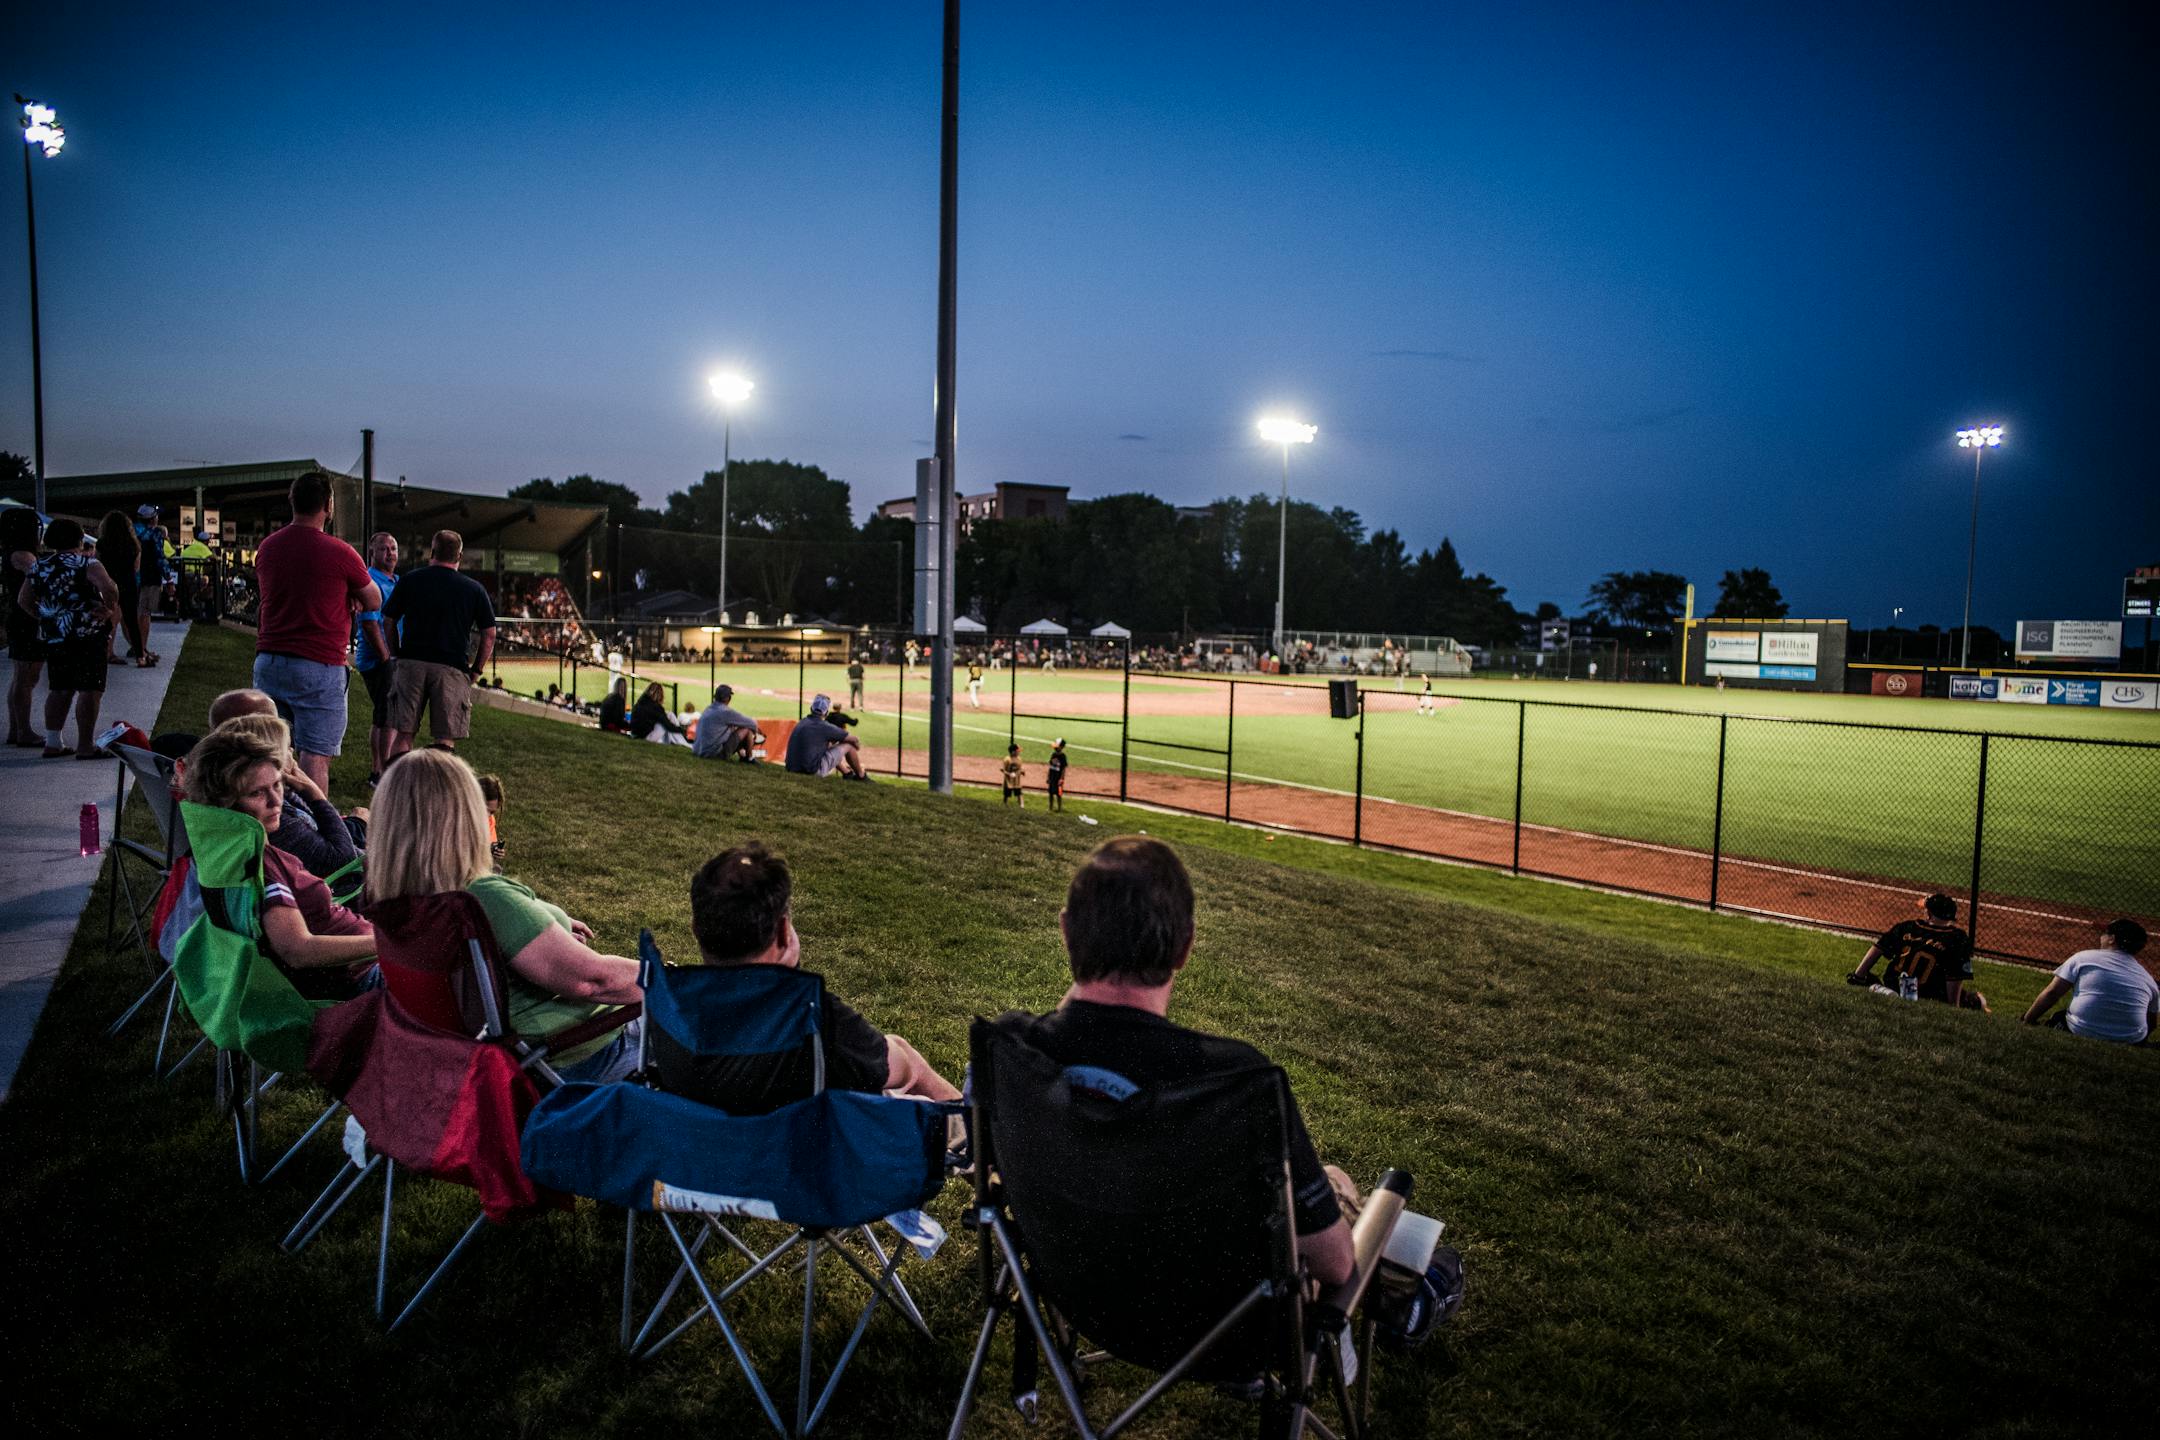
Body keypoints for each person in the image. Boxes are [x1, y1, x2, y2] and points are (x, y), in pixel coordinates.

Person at [1000, 838, 1360, 1287]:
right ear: (1185, 948)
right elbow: (1335, 1266)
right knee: (1338, 1186)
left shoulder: (1011, 1049)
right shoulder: (1237, 1081)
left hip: (1075, 1292)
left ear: (1066, 933)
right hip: (1213, 1331)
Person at [367, 748, 643, 1081]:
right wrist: (672, 978)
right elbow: (593, 980)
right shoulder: (481, 898)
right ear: (465, 818)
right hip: (576, 1053)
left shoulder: (395, 901)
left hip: (474, 1055)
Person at [675, 841, 959, 1114]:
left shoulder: (673, 1005)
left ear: (695, 928)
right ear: (784, 930)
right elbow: (902, 1069)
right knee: (905, 1057)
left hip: (708, 1152)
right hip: (800, 1154)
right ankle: (974, 1131)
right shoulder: (818, 1020)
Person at [181, 724, 376, 999]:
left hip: (354, 962)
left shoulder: (225, 850)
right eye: (256, 793)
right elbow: (296, 949)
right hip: (351, 980)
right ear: (223, 799)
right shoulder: (262, 865)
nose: (276, 802)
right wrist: (385, 945)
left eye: (277, 786)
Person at [252, 471, 382, 793]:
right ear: (328, 504)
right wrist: (349, 592)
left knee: (271, 752)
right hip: (318, 665)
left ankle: (275, 819)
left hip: (269, 661)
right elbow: (374, 599)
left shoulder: (268, 548)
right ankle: (312, 829)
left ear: (292, 502)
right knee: (315, 755)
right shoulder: (340, 552)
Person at [380, 529, 496, 759]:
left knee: (404, 733)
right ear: (459, 556)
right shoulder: (474, 589)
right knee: (445, 739)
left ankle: (396, 788)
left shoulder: (411, 580)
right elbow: (489, 634)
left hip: (411, 662)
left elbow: (388, 620)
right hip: (452, 667)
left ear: (432, 552)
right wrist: (476, 670)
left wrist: (395, 654)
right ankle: (439, 791)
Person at [214, 711, 365, 882]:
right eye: (286, 747)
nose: (292, 750)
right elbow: (342, 861)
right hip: (351, 886)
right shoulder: (275, 821)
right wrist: (314, 793)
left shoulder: (278, 797)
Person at [20, 517, 123, 759]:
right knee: (89, 689)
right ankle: (85, 745)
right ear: (79, 539)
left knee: (59, 688)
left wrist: (47, 617)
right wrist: (109, 608)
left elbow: (23, 600)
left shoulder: (38, 566)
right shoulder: (87, 564)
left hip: (56, 636)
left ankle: (53, 742)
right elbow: (108, 588)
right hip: (87, 634)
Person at [2021, 920, 2157, 1044]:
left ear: (2112, 939)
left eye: (2105, 933)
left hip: (2082, 1029)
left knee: (2059, 1016)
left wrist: (2028, 1019)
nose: (2101, 936)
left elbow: (2052, 993)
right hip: (2131, 1039)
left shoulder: (2084, 958)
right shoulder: (2148, 980)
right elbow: (2151, 1023)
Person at [1847, 893, 1973, 1005]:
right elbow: (1954, 976)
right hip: (1928, 995)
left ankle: (1885, 992)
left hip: (1894, 985)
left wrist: (1858, 976)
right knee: (1975, 999)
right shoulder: (1958, 939)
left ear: (1929, 914)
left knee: (1871, 981)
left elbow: (1878, 949)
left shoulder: (1907, 927)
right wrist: (1953, 1005)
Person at [354, 532, 400, 786]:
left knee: (384, 715)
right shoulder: (371, 579)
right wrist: (386, 658)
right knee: (387, 717)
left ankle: (380, 770)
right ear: (372, 552)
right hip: (378, 659)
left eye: (393, 548)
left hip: (391, 657)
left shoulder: (397, 581)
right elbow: (370, 623)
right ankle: (382, 773)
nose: (390, 553)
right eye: (384, 549)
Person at [2, 505, 45, 748]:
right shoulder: (23, 556)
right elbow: (41, 577)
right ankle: (24, 730)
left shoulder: (11, 552)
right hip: (27, 617)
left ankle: (15, 729)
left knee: (21, 677)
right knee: (26, 677)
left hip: (19, 617)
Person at [783, 694, 868, 780]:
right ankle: (861, 776)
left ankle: (847, 773)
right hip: (811, 771)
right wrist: (857, 747)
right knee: (849, 745)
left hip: (791, 768)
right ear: (826, 713)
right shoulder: (825, 726)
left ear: (811, 708)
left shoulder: (802, 722)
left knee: (828, 746)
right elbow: (854, 740)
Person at [131, 504, 167, 664]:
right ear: (152, 518)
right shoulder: (155, 533)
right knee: (145, 614)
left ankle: (136, 647)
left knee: (134, 613)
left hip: (132, 577)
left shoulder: (131, 531)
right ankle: (142, 650)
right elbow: (160, 557)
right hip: (150, 577)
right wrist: (169, 579)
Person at [692, 684, 761, 761]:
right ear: (727, 698)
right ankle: (749, 758)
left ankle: (742, 755)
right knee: (747, 729)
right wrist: (755, 732)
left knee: (732, 727)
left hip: (697, 751)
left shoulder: (708, 709)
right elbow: (752, 724)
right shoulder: (725, 712)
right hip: (713, 754)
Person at [631, 681, 689, 745]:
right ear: (660, 694)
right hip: (646, 738)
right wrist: (682, 730)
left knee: (669, 715)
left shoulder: (640, 702)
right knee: (669, 716)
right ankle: (683, 743)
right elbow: (669, 726)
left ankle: (676, 742)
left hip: (634, 735)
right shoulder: (656, 707)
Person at [476, 772, 508, 867]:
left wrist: (494, 850)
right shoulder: (457, 820)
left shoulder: (490, 820)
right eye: (485, 810)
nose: (488, 815)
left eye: (492, 812)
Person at [1046, 737, 1069, 811]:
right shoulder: (1053, 754)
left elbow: (1063, 768)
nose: (1055, 748)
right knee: (1051, 792)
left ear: (1062, 747)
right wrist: (1048, 777)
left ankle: (1059, 808)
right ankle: (1050, 807)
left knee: (1059, 793)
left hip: (1058, 777)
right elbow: (1050, 766)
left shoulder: (1063, 756)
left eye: (1057, 746)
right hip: (1052, 776)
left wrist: (1061, 778)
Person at [1001, 743, 1025, 807]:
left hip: (1017, 781)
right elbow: (1002, 769)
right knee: (1006, 794)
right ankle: (1004, 804)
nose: (1019, 752)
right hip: (1008, 781)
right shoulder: (1007, 759)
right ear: (1013, 752)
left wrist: (1022, 772)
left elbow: (1020, 768)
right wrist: (1009, 774)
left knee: (1019, 793)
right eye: (1018, 751)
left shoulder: (1019, 759)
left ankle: (1022, 805)